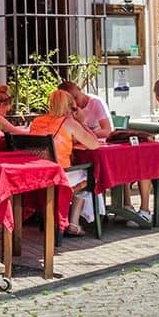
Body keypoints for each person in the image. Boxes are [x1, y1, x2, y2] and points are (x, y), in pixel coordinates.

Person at [28, 88, 102, 236]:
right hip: (60, 174)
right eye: (73, 108)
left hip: (38, 173)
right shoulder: (68, 122)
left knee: (81, 173)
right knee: (90, 175)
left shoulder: (37, 121)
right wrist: (82, 122)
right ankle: (74, 222)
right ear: (68, 107)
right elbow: (94, 144)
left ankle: (61, 220)